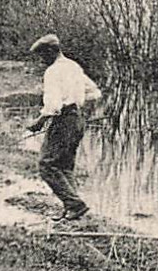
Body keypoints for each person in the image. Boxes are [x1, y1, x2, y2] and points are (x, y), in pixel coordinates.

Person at [26, 34, 102, 222]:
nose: (41, 61)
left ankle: (75, 205)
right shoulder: (73, 67)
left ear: (52, 51)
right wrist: (79, 110)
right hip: (77, 119)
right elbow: (94, 92)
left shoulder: (53, 71)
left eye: (42, 55)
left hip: (64, 120)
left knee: (47, 165)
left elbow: (53, 104)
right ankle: (73, 209)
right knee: (65, 166)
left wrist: (39, 122)